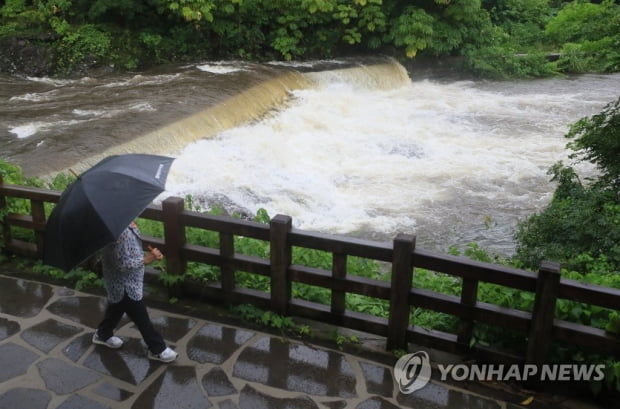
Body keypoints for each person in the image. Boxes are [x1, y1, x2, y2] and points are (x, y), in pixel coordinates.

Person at [92, 221, 178, 363]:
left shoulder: (126, 224)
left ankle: (103, 334)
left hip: (128, 280)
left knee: (116, 307)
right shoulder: (118, 231)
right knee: (140, 316)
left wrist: (148, 254)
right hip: (123, 283)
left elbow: (130, 251)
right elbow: (123, 265)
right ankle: (157, 349)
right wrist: (148, 258)